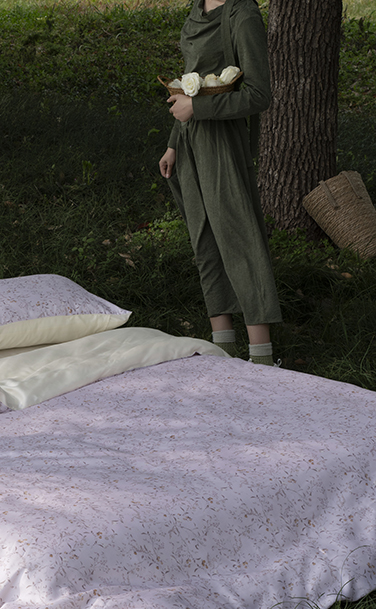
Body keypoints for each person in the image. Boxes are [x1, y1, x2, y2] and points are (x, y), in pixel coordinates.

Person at [159, 0, 281, 366]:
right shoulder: (197, 11)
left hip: (223, 140)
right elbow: (190, 81)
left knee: (238, 236)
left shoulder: (242, 15)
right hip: (191, 140)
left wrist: (198, 109)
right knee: (205, 238)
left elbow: (259, 94)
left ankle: (262, 358)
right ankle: (223, 353)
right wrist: (173, 142)